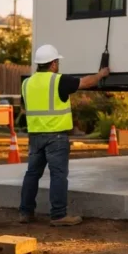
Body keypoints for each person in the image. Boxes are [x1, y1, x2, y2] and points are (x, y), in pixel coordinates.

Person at [19, 44, 109, 226]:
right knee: (58, 175)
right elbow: (86, 82)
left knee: (32, 174)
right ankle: (59, 215)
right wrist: (101, 74)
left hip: (35, 136)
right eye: (57, 61)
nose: (58, 65)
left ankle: (25, 212)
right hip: (56, 137)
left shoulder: (26, 83)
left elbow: (25, 107)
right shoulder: (58, 80)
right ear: (52, 64)